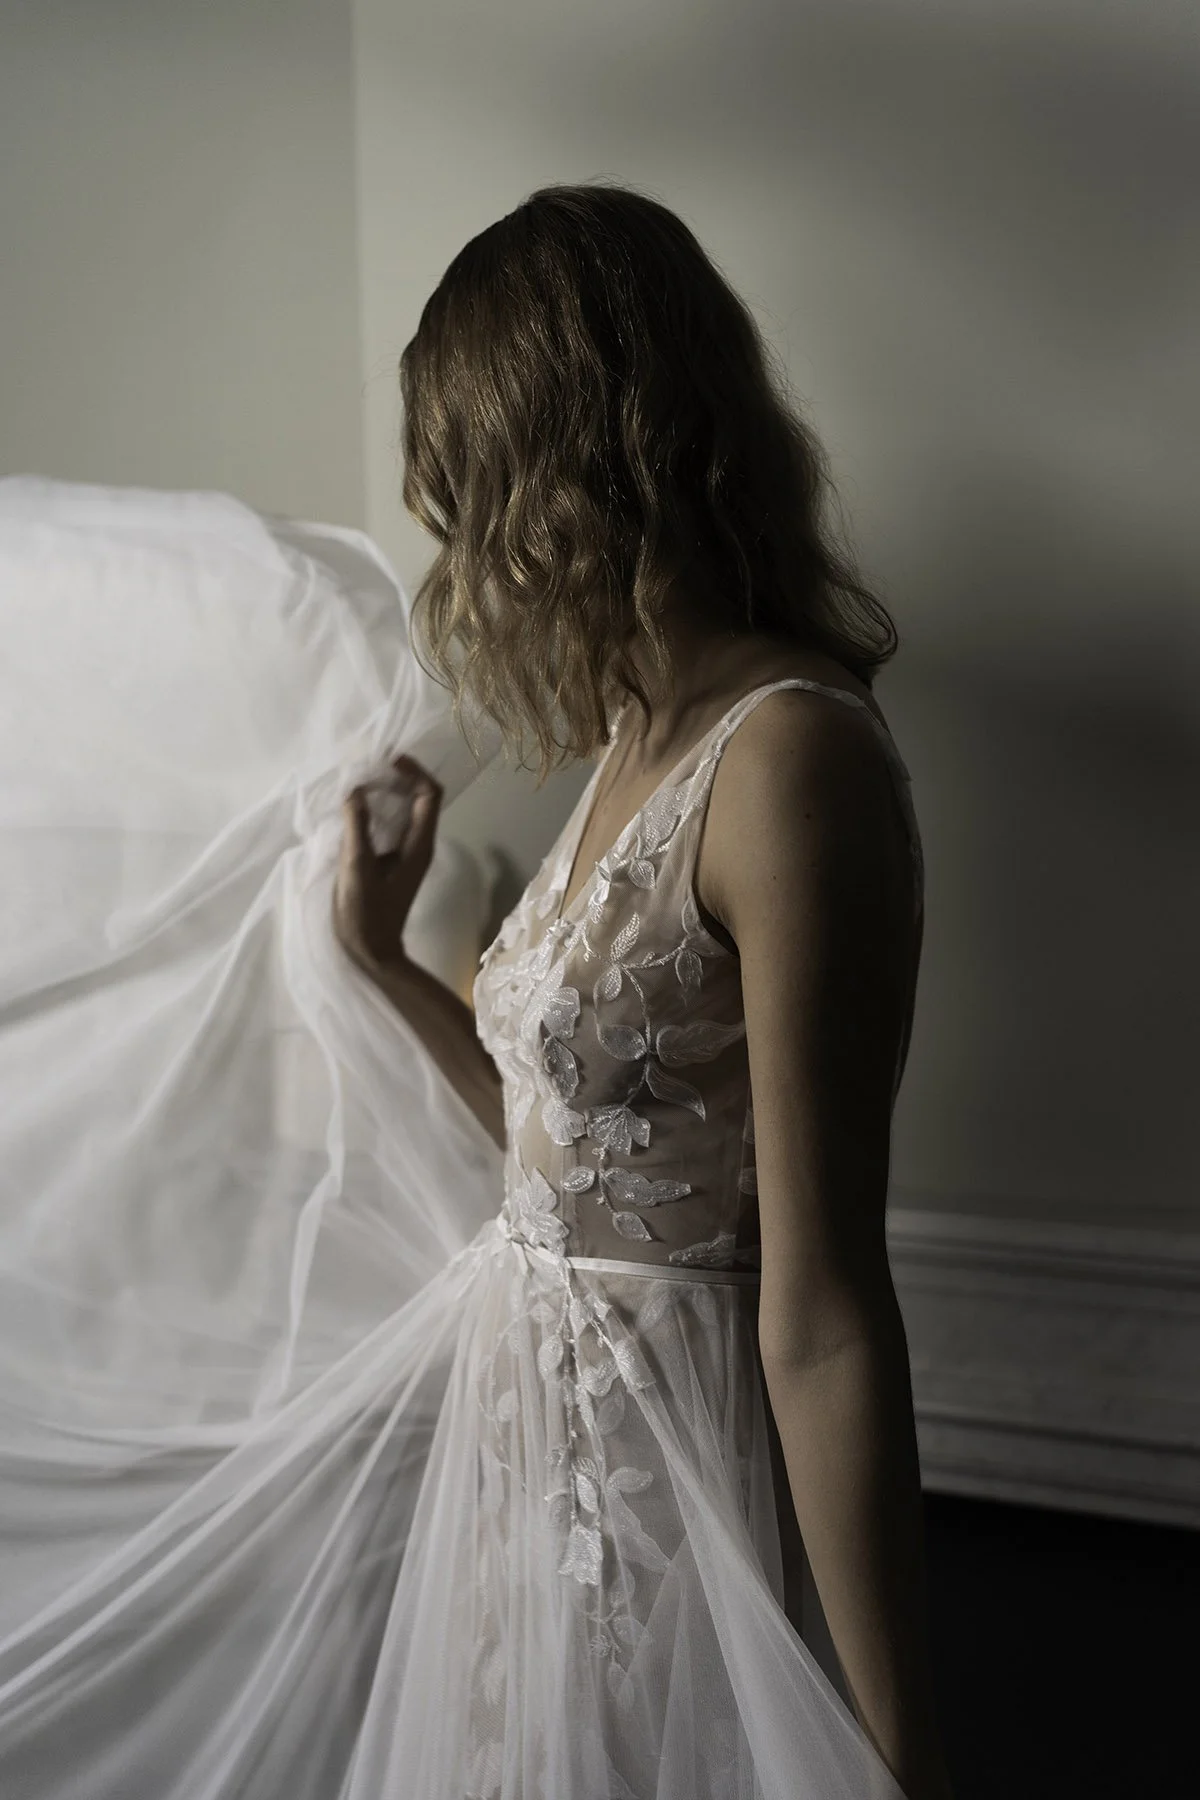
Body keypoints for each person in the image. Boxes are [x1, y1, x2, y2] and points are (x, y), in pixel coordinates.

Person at [332, 181, 952, 1799]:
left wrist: (898, 1754)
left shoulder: (789, 760)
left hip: (668, 1503)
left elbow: (821, 1308)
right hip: (519, 1472)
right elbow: (572, 1166)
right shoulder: (636, 735)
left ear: (561, 469)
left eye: (468, 494)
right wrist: (386, 963)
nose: (462, 553)